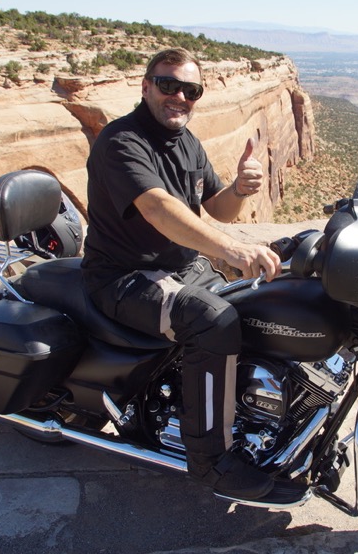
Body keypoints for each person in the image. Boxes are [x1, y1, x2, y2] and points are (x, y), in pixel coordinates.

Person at [82, 48, 281, 500]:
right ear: (146, 85)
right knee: (212, 320)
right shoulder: (121, 141)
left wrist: (239, 188)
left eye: (191, 90)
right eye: (168, 85)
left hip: (180, 268)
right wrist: (230, 249)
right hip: (124, 277)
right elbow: (158, 208)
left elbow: (216, 209)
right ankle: (210, 460)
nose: (180, 97)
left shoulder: (186, 141)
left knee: (259, 304)